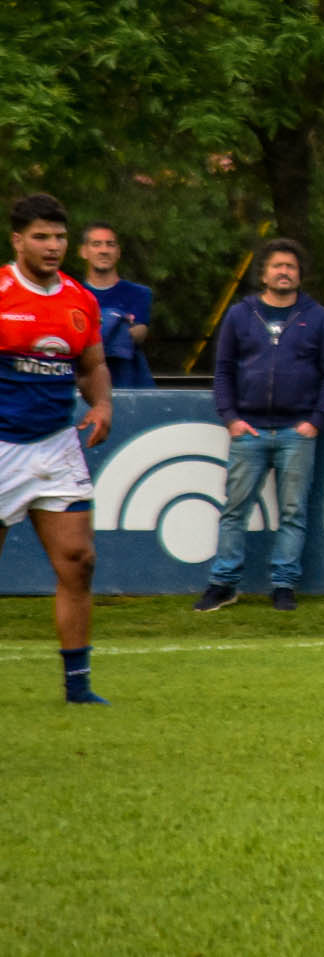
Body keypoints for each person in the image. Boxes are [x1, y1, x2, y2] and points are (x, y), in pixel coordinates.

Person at [0, 195, 112, 704]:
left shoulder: (79, 299)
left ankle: (78, 687)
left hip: (55, 444)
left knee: (78, 559)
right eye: (41, 237)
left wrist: (102, 404)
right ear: (18, 239)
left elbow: (90, 366)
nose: (53, 246)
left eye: (60, 237)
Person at [196, 238, 324, 614]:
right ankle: (224, 583)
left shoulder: (317, 316)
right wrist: (230, 417)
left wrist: (315, 422)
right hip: (250, 430)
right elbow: (224, 369)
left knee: (293, 511)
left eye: (291, 266)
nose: (284, 272)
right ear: (263, 272)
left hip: (297, 431)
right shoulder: (241, 315)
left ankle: (284, 584)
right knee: (234, 510)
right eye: (277, 266)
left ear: (300, 274)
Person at [77, 223, 153, 388]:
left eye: (110, 244)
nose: (104, 250)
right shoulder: (73, 294)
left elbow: (140, 332)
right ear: (83, 251)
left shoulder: (139, 293)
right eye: (96, 244)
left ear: (118, 252)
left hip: (128, 387)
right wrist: (117, 323)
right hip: (85, 386)